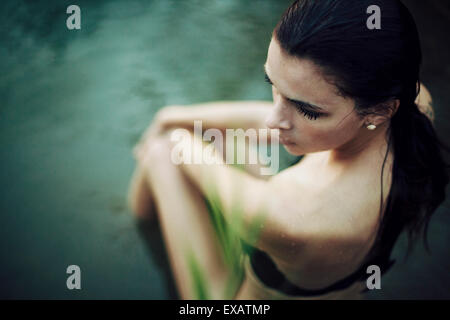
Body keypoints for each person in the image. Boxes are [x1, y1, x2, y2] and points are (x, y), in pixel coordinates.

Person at [128, 0, 449, 300]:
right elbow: (275, 122)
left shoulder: (296, 218)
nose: (273, 117)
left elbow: (183, 151)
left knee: (163, 151)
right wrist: (174, 114)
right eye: (273, 86)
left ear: (380, 111)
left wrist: (172, 130)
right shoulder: (415, 104)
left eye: (308, 111)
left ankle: (138, 232)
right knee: (211, 135)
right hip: (332, 276)